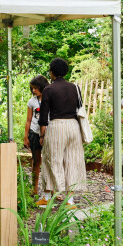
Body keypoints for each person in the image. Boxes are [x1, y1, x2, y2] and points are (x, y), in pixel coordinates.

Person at [37, 58, 86, 208]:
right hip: (73, 126)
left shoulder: (48, 89)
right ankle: (70, 201)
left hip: (56, 126)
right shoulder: (75, 87)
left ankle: (47, 197)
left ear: (52, 72)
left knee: (51, 160)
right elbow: (79, 107)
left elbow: (44, 116)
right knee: (72, 162)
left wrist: (42, 135)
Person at [23, 75, 49, 196]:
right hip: (34, 133)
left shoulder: (50, 99)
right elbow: (28, 120)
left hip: (48, 133)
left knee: (50, 162)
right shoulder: (32, 101)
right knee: (36, 161)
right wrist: (26, 136)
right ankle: (34, 189)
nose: (34, 90)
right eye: (32, 88)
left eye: (36, 88)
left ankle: (51, 190)